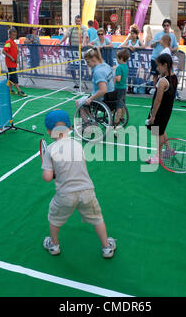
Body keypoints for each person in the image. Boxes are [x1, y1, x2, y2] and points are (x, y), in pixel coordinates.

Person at [41, 109, 116, 258]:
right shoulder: (78, 145)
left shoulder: (50, 150)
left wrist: (48, 166)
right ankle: (106, 247)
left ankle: (54, 245)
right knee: (97, 218)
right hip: (87, 191)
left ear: (49, 132)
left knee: (54, 219)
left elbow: (48, 177)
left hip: (65, 195)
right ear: (70, 128)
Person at [144, 53, 178, 164]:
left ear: (165, 65)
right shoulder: (174, 77)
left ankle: (158, 157)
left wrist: (153, 116)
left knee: (157, 133)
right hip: (167, 110)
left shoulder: (162, 81)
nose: (157, 68)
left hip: (159, 111)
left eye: (158, 66)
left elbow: (158, 100)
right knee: (161, 130)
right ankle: (168, 150)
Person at [75, 47, 115, 111]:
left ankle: (86, 120)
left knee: (78, 102)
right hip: (112, 98)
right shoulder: (106, 66)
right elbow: (113, 80)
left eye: (87, 62)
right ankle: (90, 118)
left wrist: (91, 99)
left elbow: (103, 90)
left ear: (94, 59)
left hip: (102, 100)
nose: (87, 64)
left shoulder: (98, 72)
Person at [149, 19, 178, 94]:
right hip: (156, 57)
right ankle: (155, 88)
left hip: (165, 59)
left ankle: (164, 89)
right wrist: (157, 41)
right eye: (164, 25)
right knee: (155, 74)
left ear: (170, 26)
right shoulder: (158, 34)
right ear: (162, 26)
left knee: (165, 74)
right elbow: (151, 45)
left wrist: (170, 49)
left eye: (167, 25)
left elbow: (176, 47)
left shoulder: (172, 36)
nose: (166, 27)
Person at [60, 15, 88, 88]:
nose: (78, 22)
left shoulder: (84, 28)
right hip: (72, 50)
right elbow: (66, 36)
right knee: (72, 67)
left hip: (80, 50)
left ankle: (80, 81)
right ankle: (75, 81)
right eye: (76, 21)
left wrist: (83, 43)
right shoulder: (71, 28)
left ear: (81, 21)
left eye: (79, 21)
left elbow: (85, 36)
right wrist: (59, 43)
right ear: (75, 21)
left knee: (80, 67)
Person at [2, 27, 27, 97]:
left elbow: (15, 52)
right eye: (13, 35)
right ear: (9, 35)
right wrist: (11, 57)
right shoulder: (8, 42)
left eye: (15, 35)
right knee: (14, 77)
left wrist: (17, 59)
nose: (14, 36)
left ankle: (9, 90)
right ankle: (19, 91)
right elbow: (3, 51)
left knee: (11, 77)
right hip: (10, 63)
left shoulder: (14, 43)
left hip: (14, 63)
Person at [114, 48, 130, 127]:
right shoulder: (126, 66)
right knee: (123, 104)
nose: (116, 60)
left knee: (118, 105)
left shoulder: (119, 67)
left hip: (118, 88)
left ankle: (117, 120)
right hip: (124, 87)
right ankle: (122, 118)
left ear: (120, 58)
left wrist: (114, 77)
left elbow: (119, 79)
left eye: (117, 58)